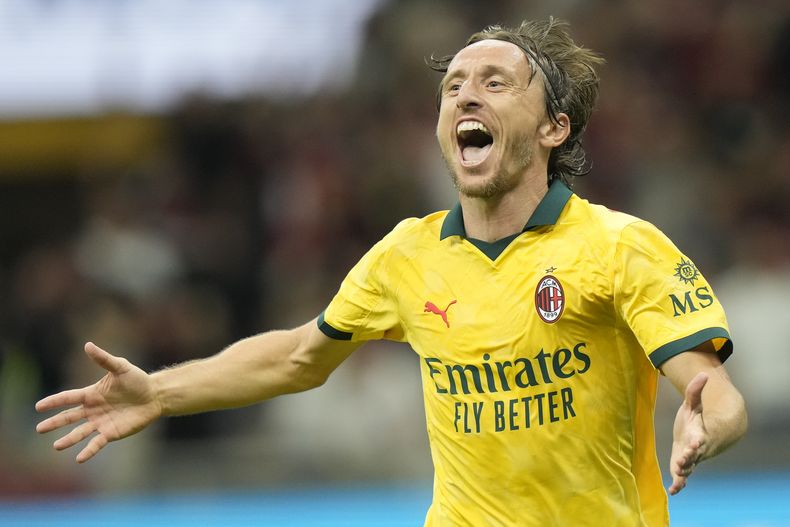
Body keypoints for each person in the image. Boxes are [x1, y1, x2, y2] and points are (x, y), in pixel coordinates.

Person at [36, 18, 747, 526]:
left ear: (553, 127)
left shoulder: (621, 246)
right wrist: (160, 390)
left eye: (496, 83)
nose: (466, 96)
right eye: (454, 87)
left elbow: (712, 389)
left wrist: (705, 422)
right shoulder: (407, 255)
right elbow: (297, 355)